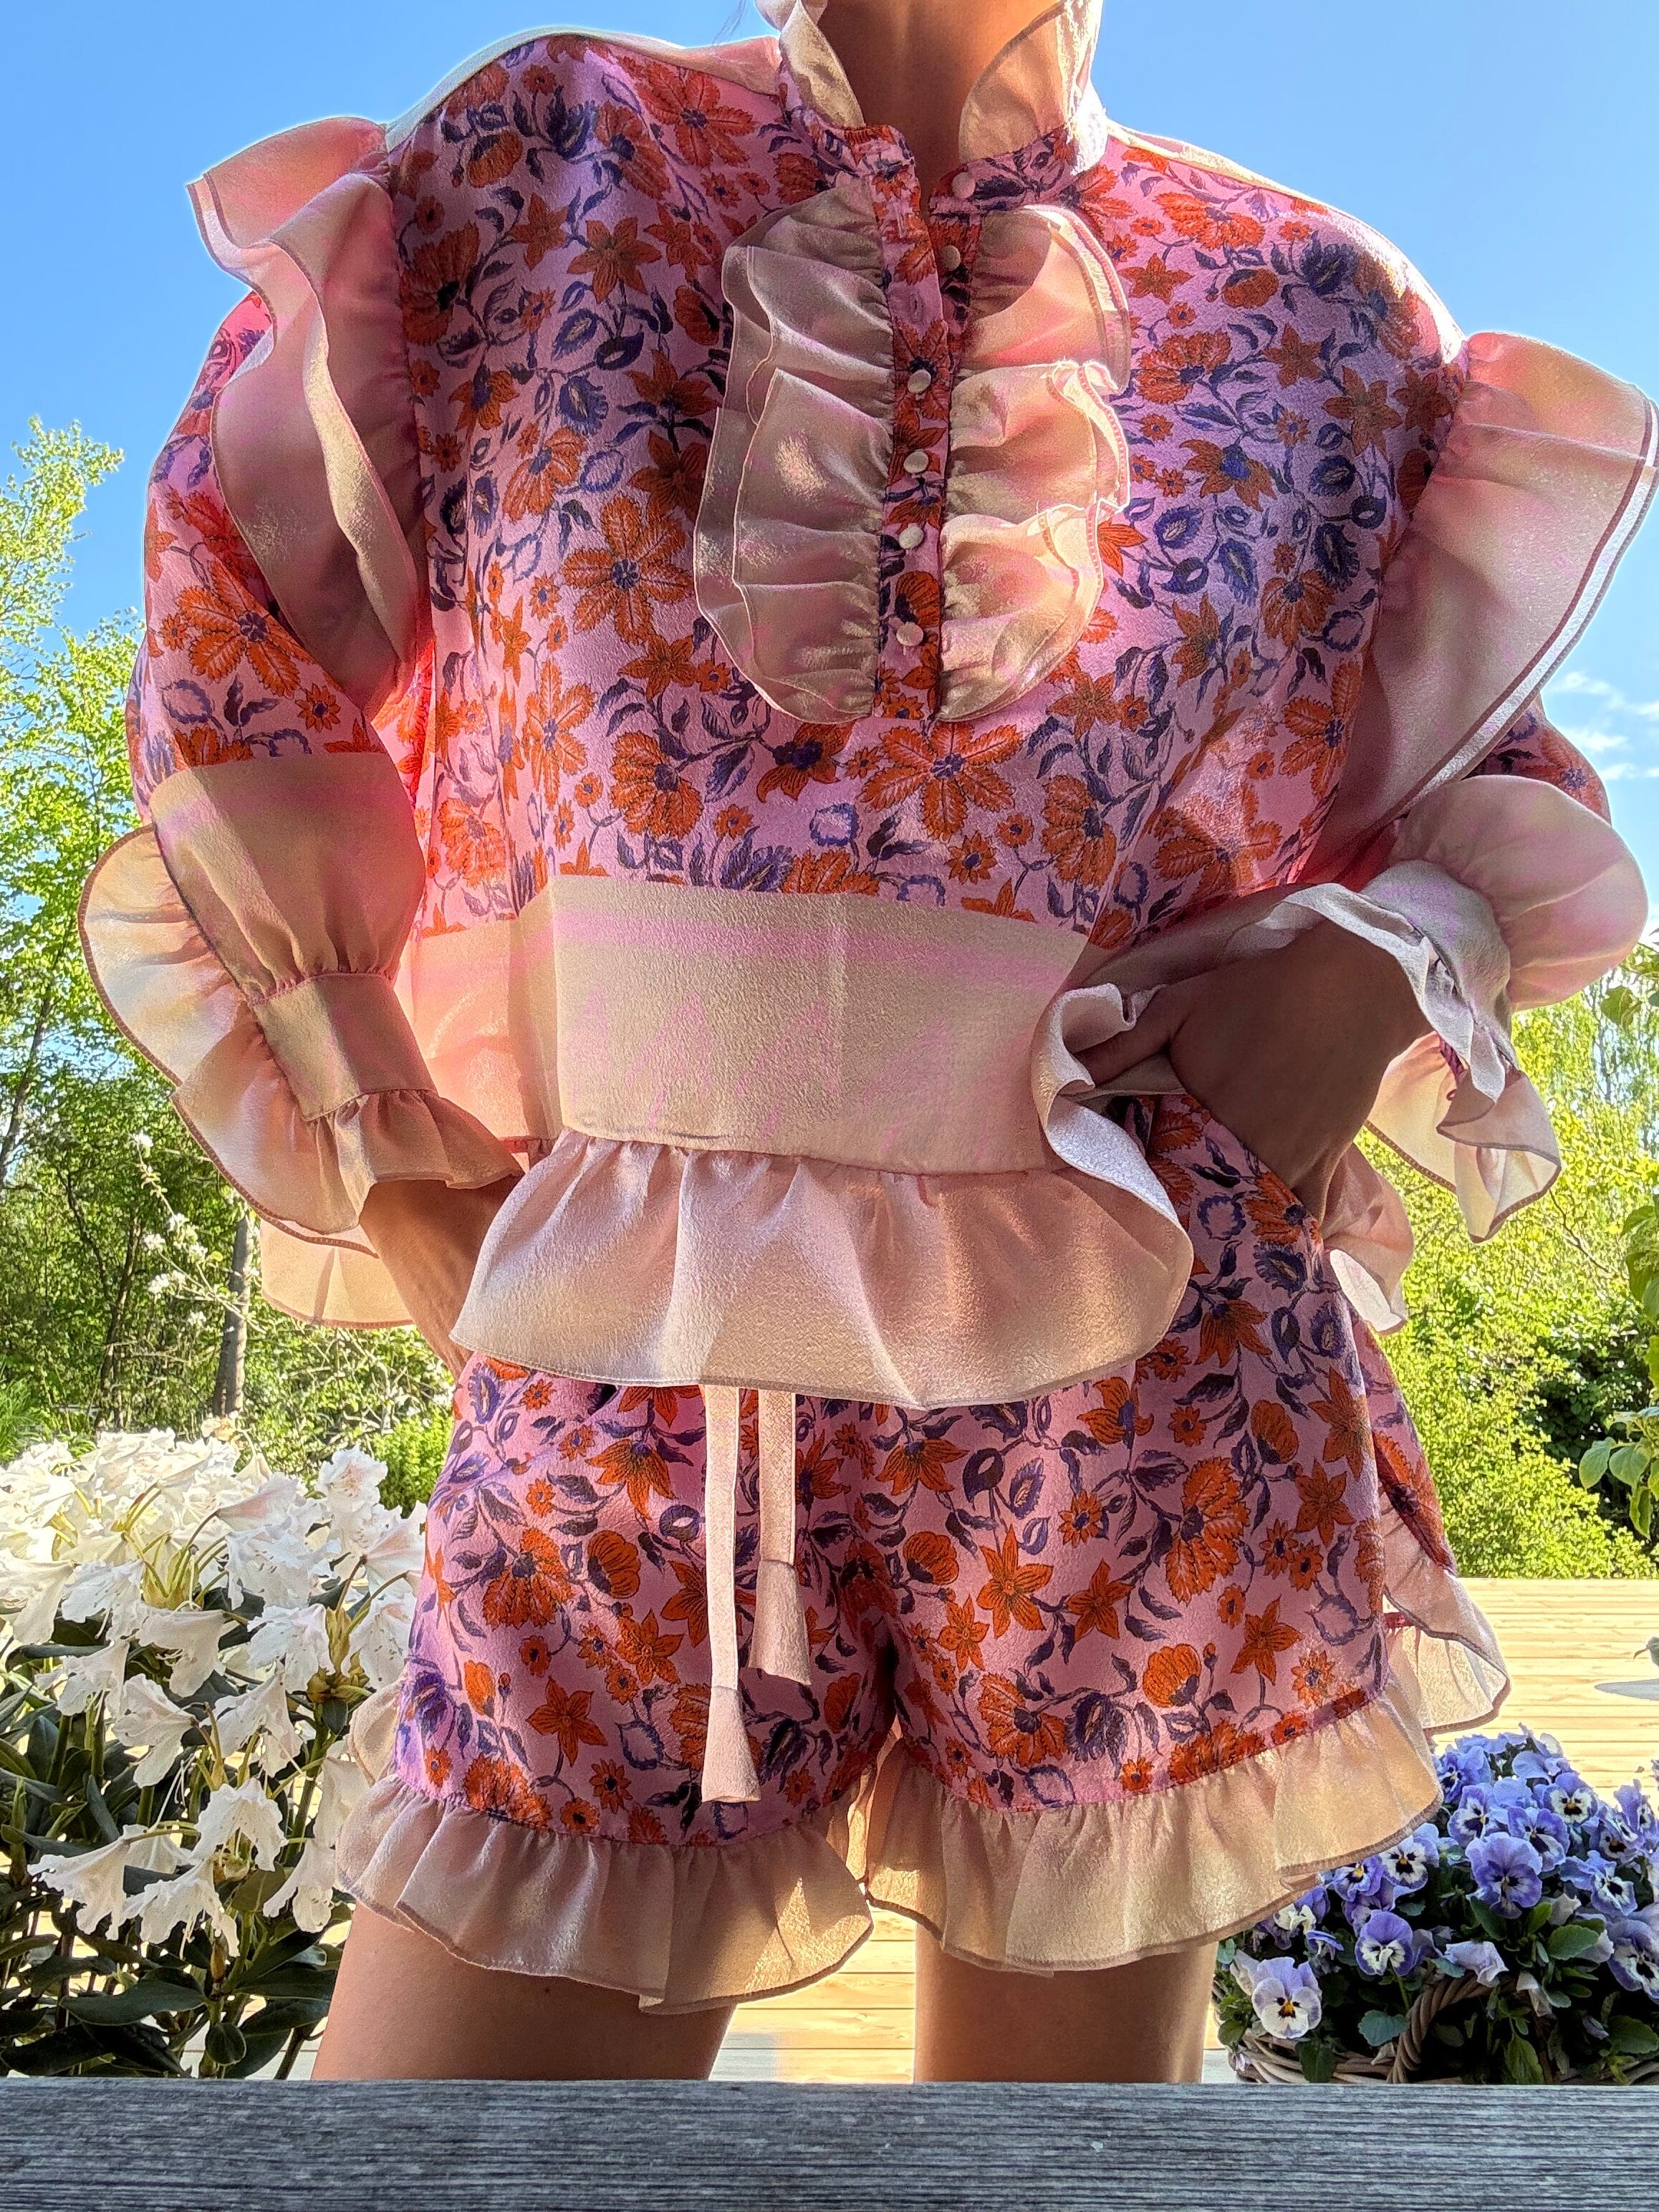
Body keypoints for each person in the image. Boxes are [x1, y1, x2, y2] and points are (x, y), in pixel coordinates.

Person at [82, 0, 1655, 2082]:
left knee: (1048, 2171)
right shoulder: (545, 158)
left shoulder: (1315, 305)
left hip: (1134, 1330)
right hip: (626, 1327)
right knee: (448, 2153)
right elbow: (234, 633)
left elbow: (1494, 787)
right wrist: (376, 1132)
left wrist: (1379, 965)